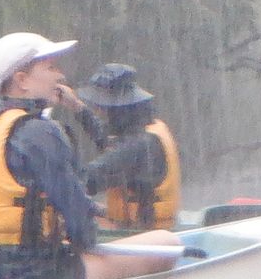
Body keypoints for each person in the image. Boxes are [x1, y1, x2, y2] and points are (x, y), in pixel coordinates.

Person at [0, 32, 182, 279]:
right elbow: (82, 230)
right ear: (22, 80)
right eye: (50, 67)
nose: (60, 75)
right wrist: (81, 230)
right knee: (167, 243)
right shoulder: (40, 131)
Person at [76, 63, 182, 231]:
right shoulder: (150, 131)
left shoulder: (137, 146)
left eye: (104, 108)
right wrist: (78, 108)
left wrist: (51, 176)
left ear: (119, 112)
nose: (100, 112)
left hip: (143, 236)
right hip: (157, 228)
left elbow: (88, 180)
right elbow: (109, 142)